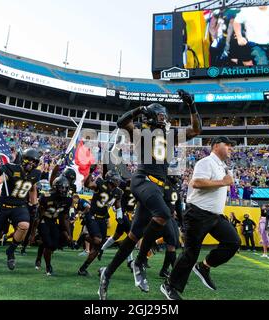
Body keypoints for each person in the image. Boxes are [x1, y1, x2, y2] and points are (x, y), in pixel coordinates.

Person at [98, 89, 201, 300]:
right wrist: (139, 109)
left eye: (165, 116)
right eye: (161, 116)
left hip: (158, 186)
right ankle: (139, 262)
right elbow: (120, 122)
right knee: (163, 215)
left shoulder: (171, 135)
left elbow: (196, 130)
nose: (164, 119)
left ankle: (107, 273)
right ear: (152, 117)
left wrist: (192, 105)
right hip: (143, 180)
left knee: (134, 234)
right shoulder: (140, 131)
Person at [160, 136, 240, 300]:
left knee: (233, 242)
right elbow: (196, 183)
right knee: (190, 253)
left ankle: (204, 267)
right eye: (228, 144)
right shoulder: (206, 162)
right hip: (198, 214)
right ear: (216, 145)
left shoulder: (222, 166)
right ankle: (169, 286)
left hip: (215, 216)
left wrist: (224, 181)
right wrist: (223, 182)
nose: (231, 148)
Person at [0, 148, 41, 271]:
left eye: (35, 162)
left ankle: (11, 250)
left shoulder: (36, 174)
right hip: (3, 206)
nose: (32, 164)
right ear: (23, 159)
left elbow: (33, 188)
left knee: (24, 225)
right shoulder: (11, 168)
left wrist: (34, 204)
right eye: (30, 160)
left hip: (19, 206)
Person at [79, 169, 123, 276]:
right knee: (97, 240)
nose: (118, 180)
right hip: (92, 215)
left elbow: (118, 205)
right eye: (115, 178)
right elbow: (87, 184)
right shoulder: (100, 184)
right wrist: (90, 172)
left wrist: (119, 216)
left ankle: (83, 268)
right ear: (110, 178)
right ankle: (84, 237)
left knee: (98, 247)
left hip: (102, 218)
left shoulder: (118, 192)